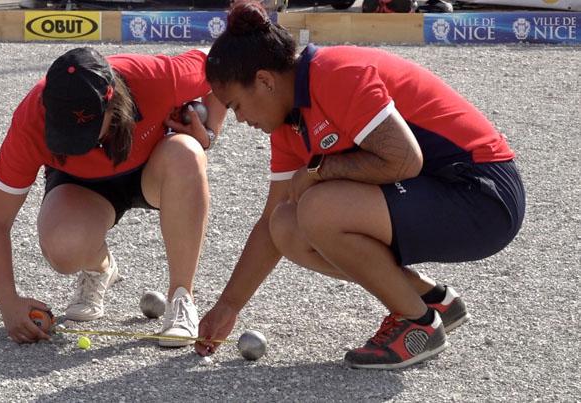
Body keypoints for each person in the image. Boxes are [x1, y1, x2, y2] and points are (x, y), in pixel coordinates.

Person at [195, 1, 524, 369]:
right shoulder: (287, 124)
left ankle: (417, 325)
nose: (240, 119)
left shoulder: (333, 72)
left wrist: (318, 168)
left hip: (482, 194)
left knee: (318, 207)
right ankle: (430, 301)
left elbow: (404, 159)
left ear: (265, 81)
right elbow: (270, 223)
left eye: (237, 105)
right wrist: (228, 307)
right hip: (439, 192)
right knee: (286, 226)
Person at [0, 47, 226, 346]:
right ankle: (100, 269)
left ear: (112, 104)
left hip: (154, 168)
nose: (75, 141)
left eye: (81, 132)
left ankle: (181, 297)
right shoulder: (32, 117)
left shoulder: (155, 78)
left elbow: (221, 64)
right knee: (63, 248)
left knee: (188, 153)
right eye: (64, 132)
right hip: (82, 187)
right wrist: (7, 302)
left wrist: (210, 132)